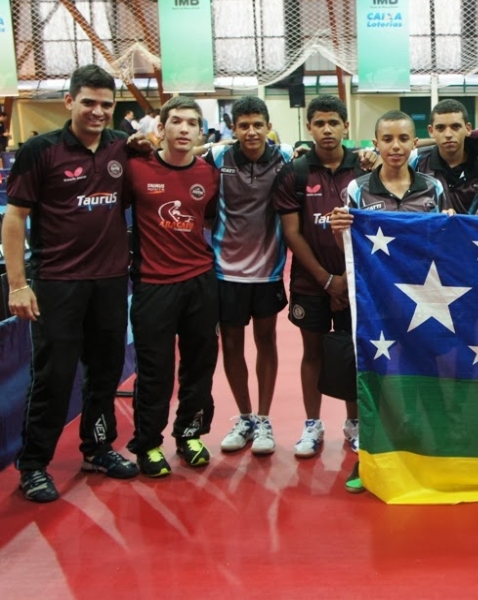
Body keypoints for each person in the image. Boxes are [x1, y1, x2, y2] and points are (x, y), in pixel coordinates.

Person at [3, 64, 143, 502]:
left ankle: (97, 448)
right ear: (69, 101)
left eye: (106, 104)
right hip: (57, 282)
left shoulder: (123, 146)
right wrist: (18, 285)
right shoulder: (40, 151)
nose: (98, 111)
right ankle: (33, 465)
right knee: (54, 375)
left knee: (104, 372)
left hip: (110, 282)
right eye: (89, 102)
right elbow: (15, 218)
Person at [330, 110, 451, 494]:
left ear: (415, 143)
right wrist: (337, 230)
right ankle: (372, 459)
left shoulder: (433, 188)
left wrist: (451, 225)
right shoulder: (357, 190)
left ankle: (433, 453)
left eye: (403, 139)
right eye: (387, 139)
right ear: (375, 144)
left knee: (427, 374)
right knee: (378, 378)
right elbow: (349, 249)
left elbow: (447, 245)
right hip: (377, 301)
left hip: (427, 300)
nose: (395, 146)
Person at [126, 96, 220, 477]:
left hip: (200, 281)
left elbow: (209, 220)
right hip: (153, 284)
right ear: (161, 128)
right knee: (155, 370)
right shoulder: (136, 168)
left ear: (199, 131)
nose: (184, 129)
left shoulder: (209, 175)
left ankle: (190, 434)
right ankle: (148, 443)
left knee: (200, 365)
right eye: (176, 121)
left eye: (192, 123)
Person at [271, 95, 364, 462]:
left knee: (353, 353)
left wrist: (346, 280)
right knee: (312, 353)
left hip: (354, 284)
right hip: (310, 283)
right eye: (320, 123)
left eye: (334, 123)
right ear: (309, 127)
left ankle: (354, 423)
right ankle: (312, 424)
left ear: (346, 126)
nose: (327, 130)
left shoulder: (363, 170)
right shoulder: (293, 173)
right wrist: (327, 281)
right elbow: (292, 234)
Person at [212, 96, 294, 455]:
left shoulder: (285, 156)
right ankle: (244, 417)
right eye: (243, 126)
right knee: (231, 344)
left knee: (266, 341)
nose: (251, 132)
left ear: (268, 126)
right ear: (233, 128)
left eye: (257, 125)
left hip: (268, 271)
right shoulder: (218, 157)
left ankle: (263, 419)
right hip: (225, 271)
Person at [411, 99, 478, 214]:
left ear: (468, 129)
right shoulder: (416, 160)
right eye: (440, 128)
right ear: (431, 131)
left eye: (455, 127)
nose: (448, 134)